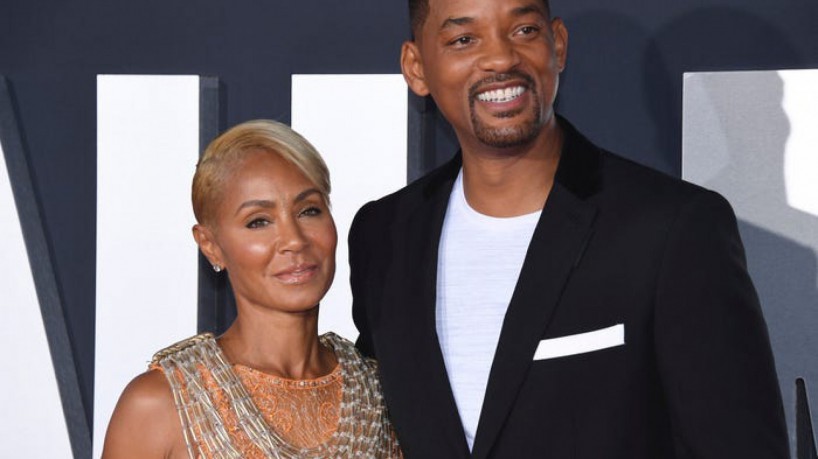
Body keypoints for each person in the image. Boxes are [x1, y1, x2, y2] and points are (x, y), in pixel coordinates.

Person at [348, 0, 789, 457]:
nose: (500, 58)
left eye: (523, 30)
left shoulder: (671, 229)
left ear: (557, 44)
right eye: (464, 39)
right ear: (416, 67)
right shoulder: (384, 236)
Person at [102, 120, 402, 458]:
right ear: (210, 245)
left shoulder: (384, 395)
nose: (294, 240)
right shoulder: (160, 404)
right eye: (259, 221)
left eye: (309, 211)